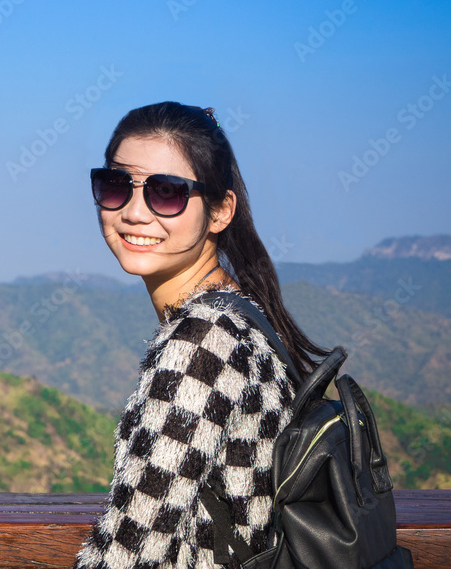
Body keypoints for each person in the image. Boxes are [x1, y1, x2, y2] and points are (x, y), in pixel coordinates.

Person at [73, 101, 326, 569]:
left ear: (219, 211)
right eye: (115, 186)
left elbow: (130, 552)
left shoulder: (203, 341)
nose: (132, 212)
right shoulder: (244, 314)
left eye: (166, 193)